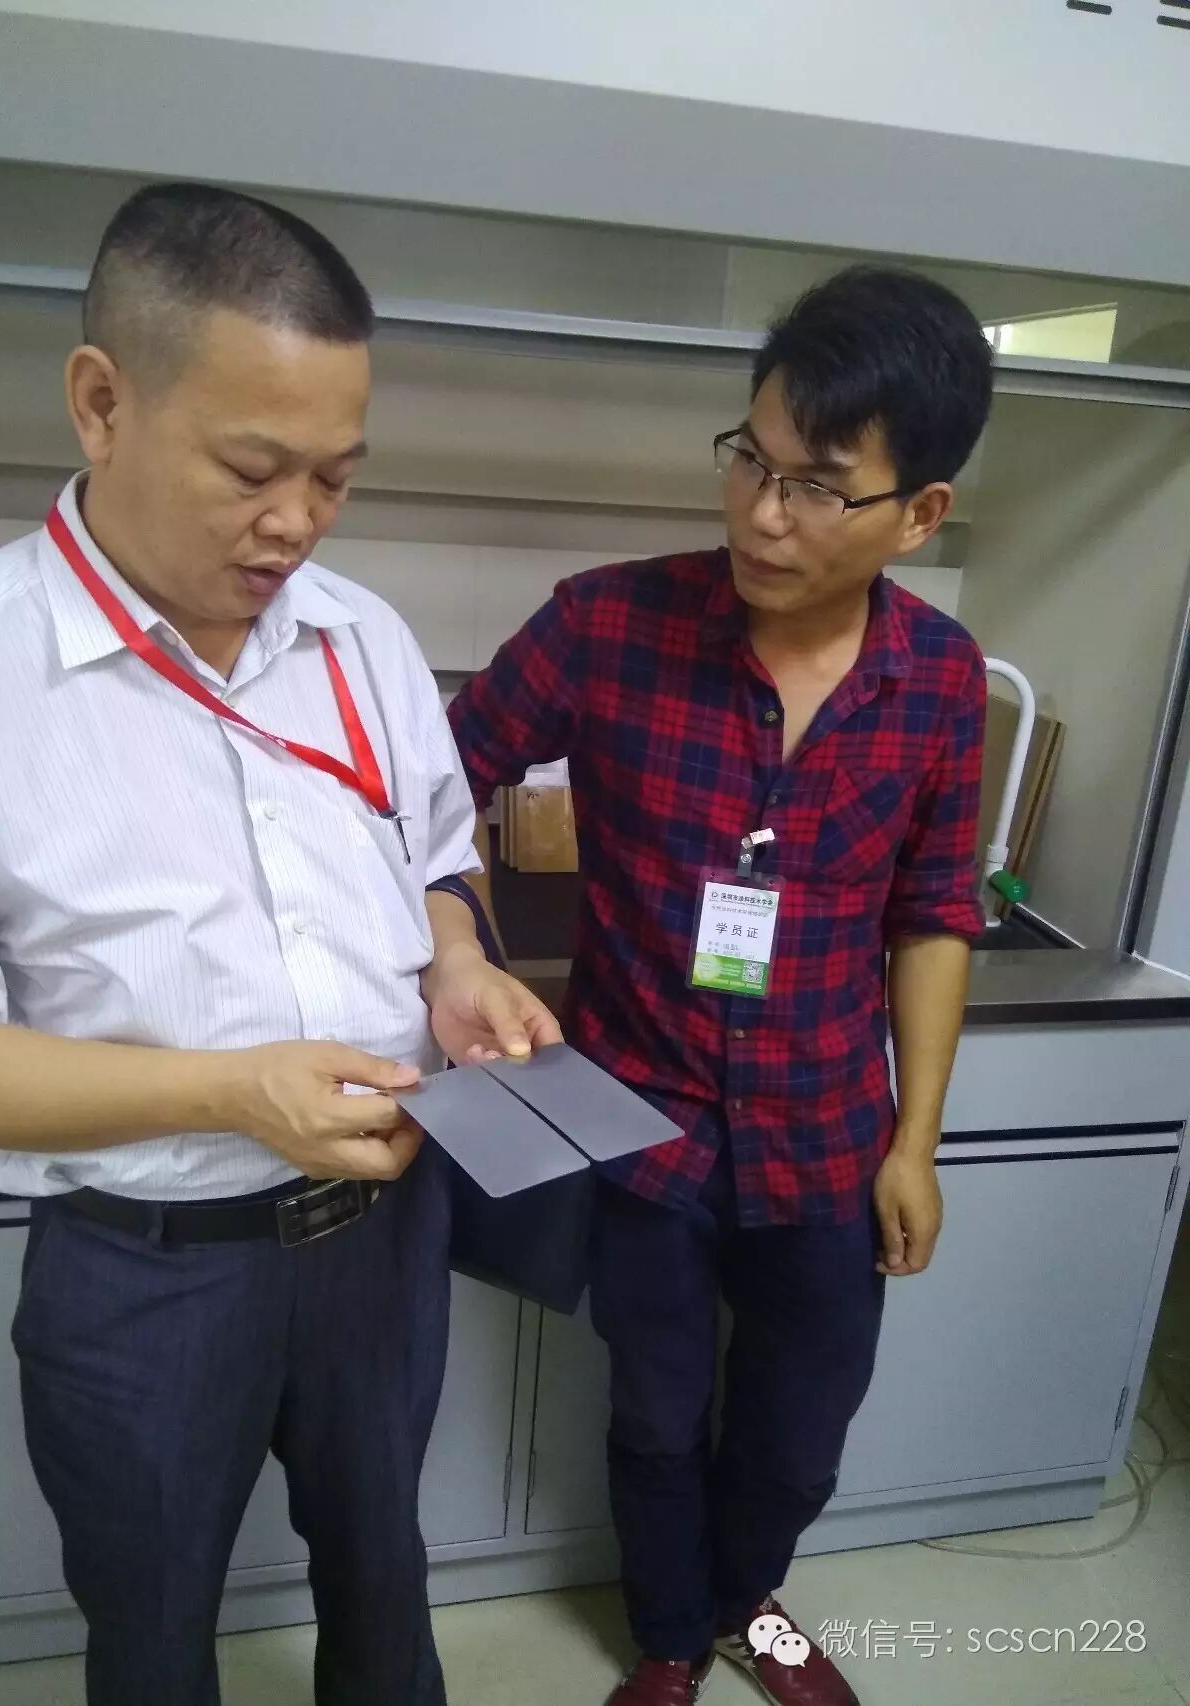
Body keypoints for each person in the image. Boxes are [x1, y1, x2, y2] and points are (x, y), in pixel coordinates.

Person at [0, 181, 560, 1706]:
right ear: (101, 402)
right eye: (255, 469)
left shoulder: (361, 637)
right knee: (150, 1631)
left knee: (384, 1580)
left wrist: (458, 960)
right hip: (144, 1271)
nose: (298, 521)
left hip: (382, 1240)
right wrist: (228, 1090)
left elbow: (438, 853)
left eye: (336, 476)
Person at [448, 266, 993, 1706]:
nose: (762, 513)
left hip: (829, 1135)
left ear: (919, 514)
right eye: (752, 460)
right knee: (653, 1408)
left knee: (801, 1427)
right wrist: (460, 946)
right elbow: (431, 788)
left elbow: (936, 914)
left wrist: (917, 1140)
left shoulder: (940, 682)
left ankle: (753, 1601)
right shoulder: (606, 625)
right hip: (641, 1125)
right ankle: (670, 1637)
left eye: (818, 486)